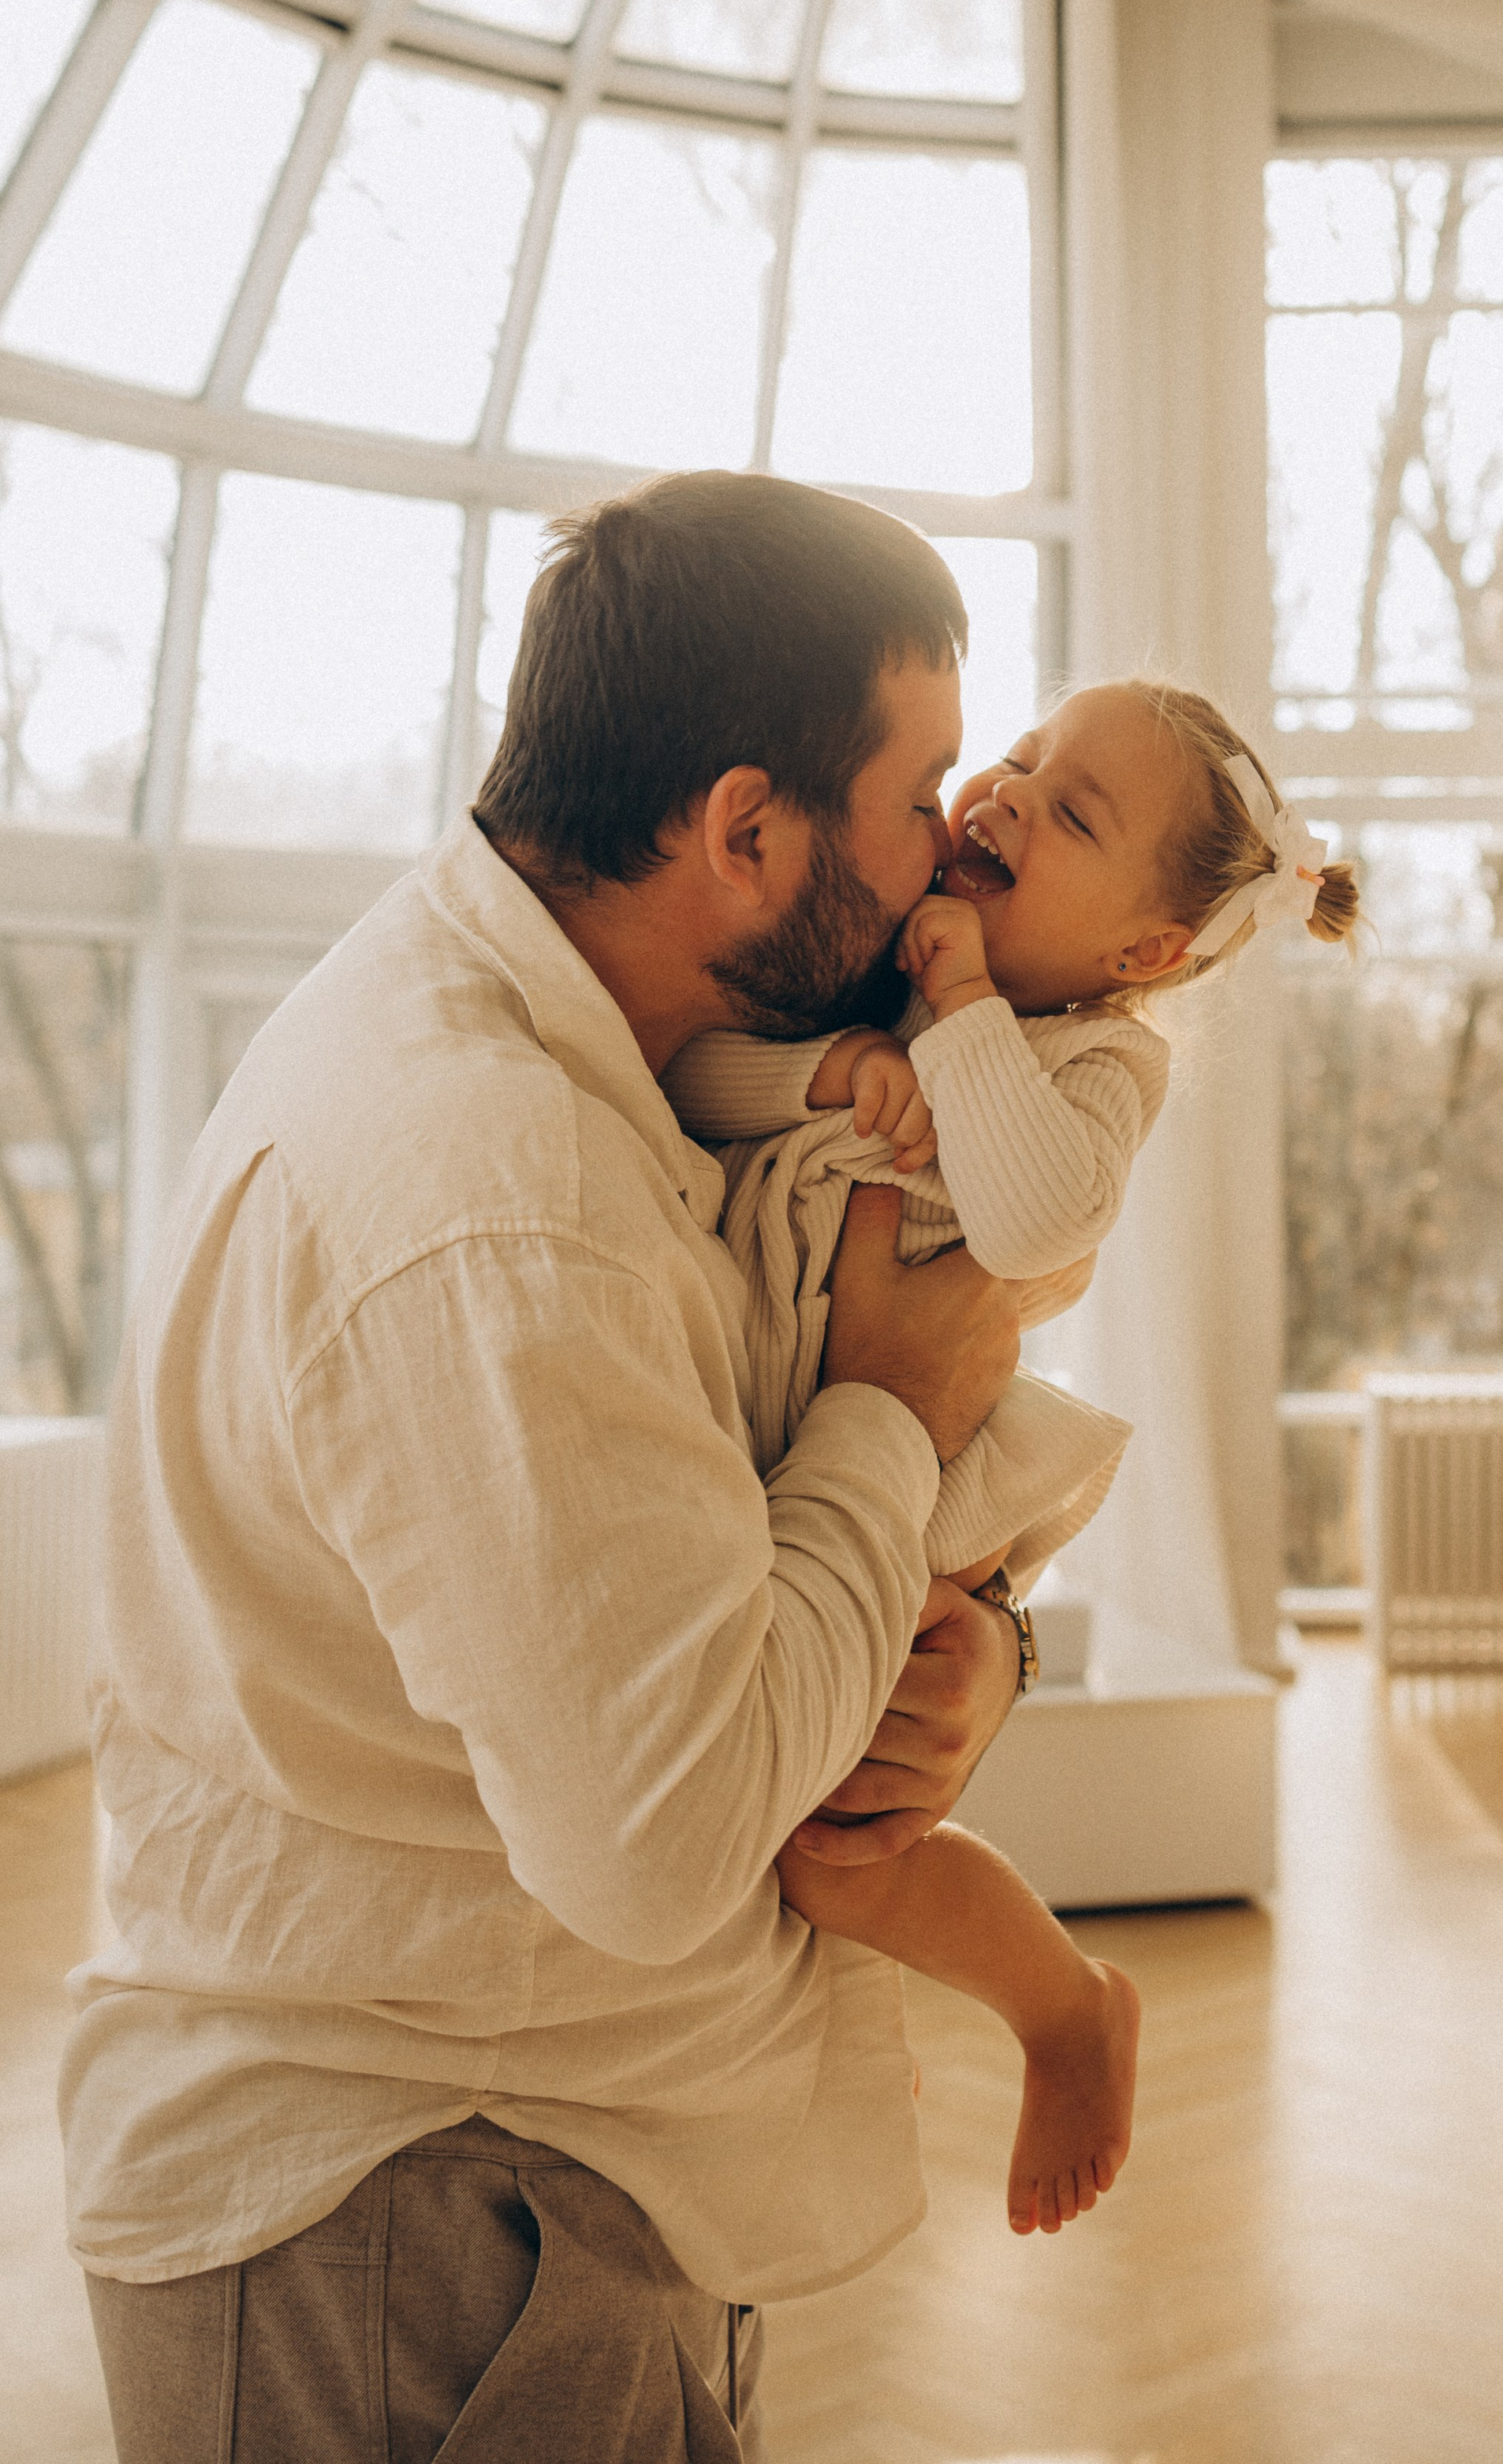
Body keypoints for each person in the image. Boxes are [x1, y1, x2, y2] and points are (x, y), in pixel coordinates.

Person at [61, 470, 1037, 2464]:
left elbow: (701, 1590)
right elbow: (665, 1836)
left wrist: (959, 1658)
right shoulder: (497, 1190)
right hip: (414, 2238)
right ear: (743, 829)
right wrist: (898, 1412)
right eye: (919, 790)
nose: (958, 853)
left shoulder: (617, 1081)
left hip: (518, 2187)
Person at [666, 679, 1360, 2237]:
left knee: (836, 1843)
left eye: (1072, 813)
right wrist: (833, 1074)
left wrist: (961, 1013)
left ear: (1142, 955)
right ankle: (832, 2036)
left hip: (916, 1480)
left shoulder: (1099, 1063)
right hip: (772, 1438)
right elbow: (693, 1088)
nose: (1010, 796)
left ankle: (1059, 2006)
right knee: (754, 1774)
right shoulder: (880, 958)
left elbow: (1038, 1215)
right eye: (1026, 759)